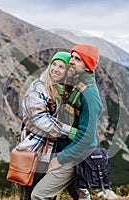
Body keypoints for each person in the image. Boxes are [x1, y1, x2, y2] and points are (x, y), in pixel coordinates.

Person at [31, 44, 103, 200]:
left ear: (87, 66)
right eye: (72, 57)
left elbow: (87, 137)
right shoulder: (75, 85)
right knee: (80, 196)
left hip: (77, 155)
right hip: (70, 150)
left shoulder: (89, 93)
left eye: (78, 59)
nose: (71, 61)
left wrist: (60, 159)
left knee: (38, 195)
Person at [16, 51, 78, 200]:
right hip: (34, 150)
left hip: (52, 153)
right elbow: (40, 119)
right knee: (31, 194)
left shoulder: (64, 91)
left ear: (67, 71)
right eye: (54, 64)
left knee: (49, 195)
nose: (55, 69)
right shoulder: (38, 87)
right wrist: (69, 131)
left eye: (61, 67)